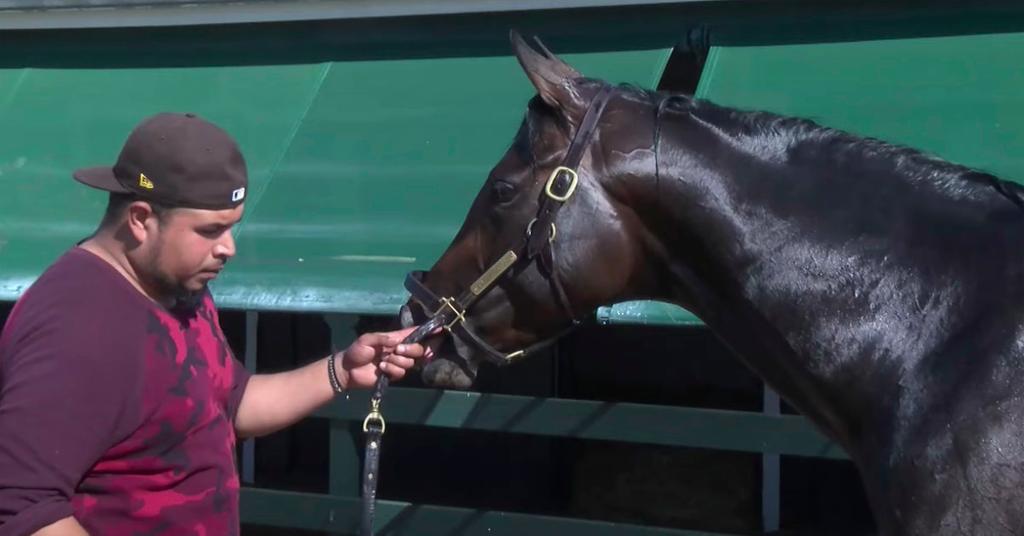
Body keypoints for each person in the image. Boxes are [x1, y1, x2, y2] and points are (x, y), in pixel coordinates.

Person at [0, 112, 433, 535]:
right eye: (210, 230)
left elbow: (229, 404)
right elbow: (22, 509)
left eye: (232, 229)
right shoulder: (75, 327)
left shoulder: (177, 286)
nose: (227, 248)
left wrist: (342, 370)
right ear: (140, 219)